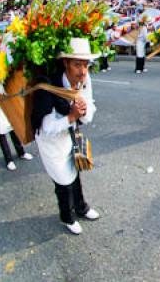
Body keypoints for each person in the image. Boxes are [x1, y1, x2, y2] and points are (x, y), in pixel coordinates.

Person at [31, 37, 100, 235]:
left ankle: (81, 207)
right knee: (63, 180)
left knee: (75, 170)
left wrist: (84, 111)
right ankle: (67, 217)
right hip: (50, 140)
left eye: (85, 65)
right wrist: (71, 116)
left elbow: (90, 106)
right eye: (77, 65)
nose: (83, 71)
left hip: (69, 132)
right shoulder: (48, 87)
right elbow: (46, 127)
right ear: (65, 63)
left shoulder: (84, 80)